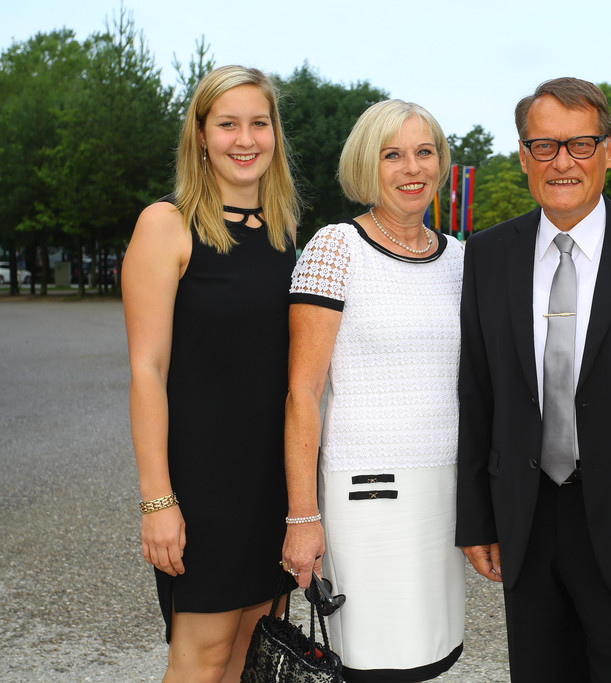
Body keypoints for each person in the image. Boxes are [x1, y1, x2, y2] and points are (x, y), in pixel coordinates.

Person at [456, 77, 611, 682]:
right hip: (525, 518)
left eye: (580, 144)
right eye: (544, 146)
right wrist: (477, 519)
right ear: (524, 157)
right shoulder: (487, 255)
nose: (563, 162)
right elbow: (477, 391)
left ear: (608, 151)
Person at [122, 65, 299, 681]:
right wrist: (157, 500)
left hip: (274, 482)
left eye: (259, 123)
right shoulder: (165, 224)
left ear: (275, 134)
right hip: (203, 486)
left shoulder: (285, 232)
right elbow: (146, 370)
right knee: (202, 657)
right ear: (200, 135)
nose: (245, 139)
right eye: (227, 124)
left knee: (253, 654)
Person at [281, 99, 465, 682]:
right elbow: (302, 392)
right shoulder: (335, 248)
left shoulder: (460, 259)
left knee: (427, 658)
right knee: (368, 662)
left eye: (424, 152)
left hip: (444, 492)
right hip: (367, 495)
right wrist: (302, 516)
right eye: (393, 155)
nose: (412, 168)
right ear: (367, 163)